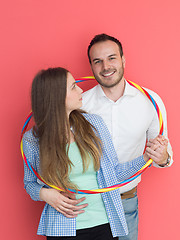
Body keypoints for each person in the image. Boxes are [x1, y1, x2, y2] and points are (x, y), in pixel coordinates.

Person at [23, 67, 165, 240]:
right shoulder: (32, 140)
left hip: (105, 224)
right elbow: (29, 183)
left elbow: (115, 173)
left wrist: (147, 156)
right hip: (62, 228)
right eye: (73, 86)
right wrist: (45, 194)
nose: (81, 89)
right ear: (56, 96)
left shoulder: (94, 124)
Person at [82, 33, 173, 240]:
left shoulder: (150, 101)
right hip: (88, 202)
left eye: (112, 58)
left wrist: (162, 157)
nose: (106, 66)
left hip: (126, 201)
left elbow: (165, 154)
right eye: (98, 61)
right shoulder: (80, 105)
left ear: (123, 60)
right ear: (91, 67)